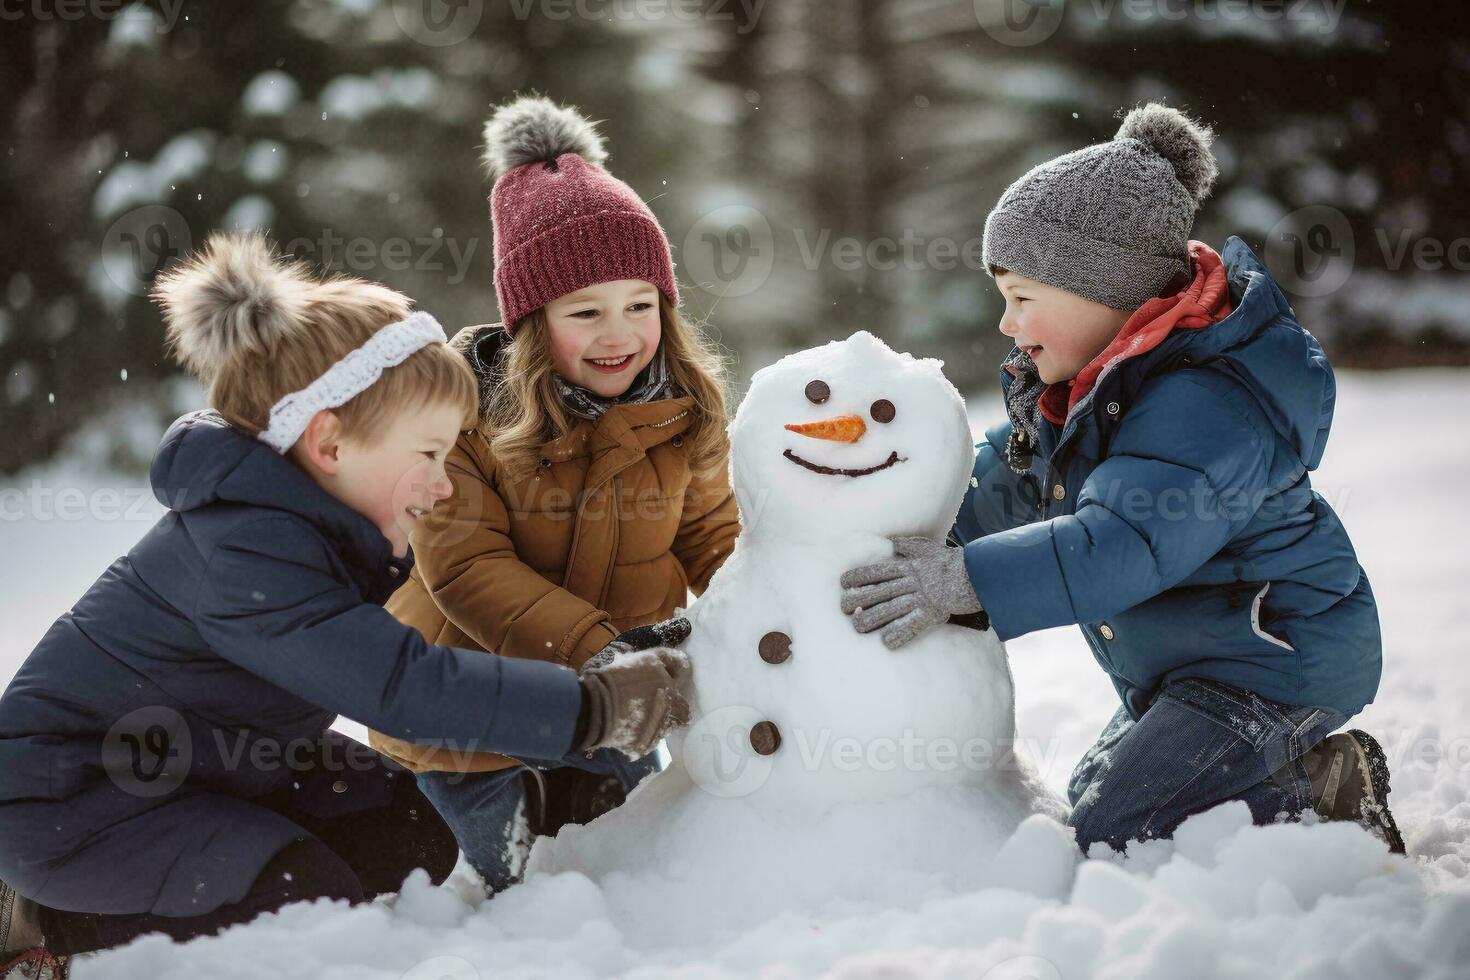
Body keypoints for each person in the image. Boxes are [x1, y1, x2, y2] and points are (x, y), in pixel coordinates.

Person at [0, 233, 690, 970]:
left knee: (411, 834)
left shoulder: (314, 530)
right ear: (330, 445)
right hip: (75, 805)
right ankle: (52, 928)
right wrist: (590, 709)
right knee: (298, 901)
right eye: (428, 454)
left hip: (203, 767)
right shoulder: (246, 552)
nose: (444, 482)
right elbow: (400, 685)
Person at [838, 103, 1405, 856]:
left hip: (1274, 665)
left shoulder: (1204, 404)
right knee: (1093, 796)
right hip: (1194, 665)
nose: (1008, 326)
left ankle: (1325, 784)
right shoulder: (1093, 396)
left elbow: (1118, 546)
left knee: (1117, 828)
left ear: (1104, 292)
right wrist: (888, 524)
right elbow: (1002, 485)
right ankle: (1260, 782)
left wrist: (963, 579)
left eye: (1022, 299)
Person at [365, 96, 739, 893]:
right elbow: (467, 568)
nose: (619, 334)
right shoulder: (460, 413)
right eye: (586, 312)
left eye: (641, 306)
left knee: (635, 864)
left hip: (612, 708)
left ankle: (575, 781)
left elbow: (714, 538)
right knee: (513, 880)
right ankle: (421, 814)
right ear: (534, 320)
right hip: (471, 712)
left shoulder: (678, 411)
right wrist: (601, 650)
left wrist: (770, 602)